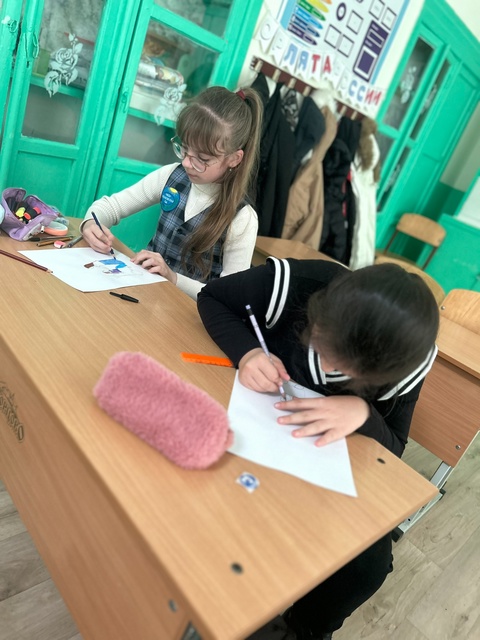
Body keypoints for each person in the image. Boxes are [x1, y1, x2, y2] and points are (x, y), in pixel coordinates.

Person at [197, 257, 439, 640]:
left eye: (348, 368)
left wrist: (362, 412)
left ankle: (302, 629)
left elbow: (394, 448)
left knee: (368, 566)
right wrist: (248, 353)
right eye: (323, 345)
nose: (326, 367)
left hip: (316, 468)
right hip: (242, 427)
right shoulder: (300, 282)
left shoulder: (406, 360)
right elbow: (211, 298)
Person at [81, 86, 263, 299]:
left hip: (188, 313)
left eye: (202, 159)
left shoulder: (242, 218)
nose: (186, 162)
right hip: (142, 295)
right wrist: (90, 225)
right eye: (184, 148)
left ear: (234, 159)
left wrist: (173, 278)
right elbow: (111, 207)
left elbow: (231, 296)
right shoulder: (171, 176)